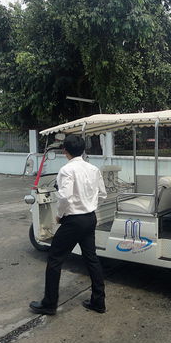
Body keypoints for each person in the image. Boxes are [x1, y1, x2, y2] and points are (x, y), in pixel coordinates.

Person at [30, 135, 107, 315]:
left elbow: (64, 197)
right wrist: (89, 205)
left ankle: (49, 304)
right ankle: (99, 301)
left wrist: (58, 215)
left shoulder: (66, 170)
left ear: (65, 150)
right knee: (92, 259)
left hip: (74, 221)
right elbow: (102, 194)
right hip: (90, 218)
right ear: (83, 150)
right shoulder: (93, 169)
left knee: (55, 259)